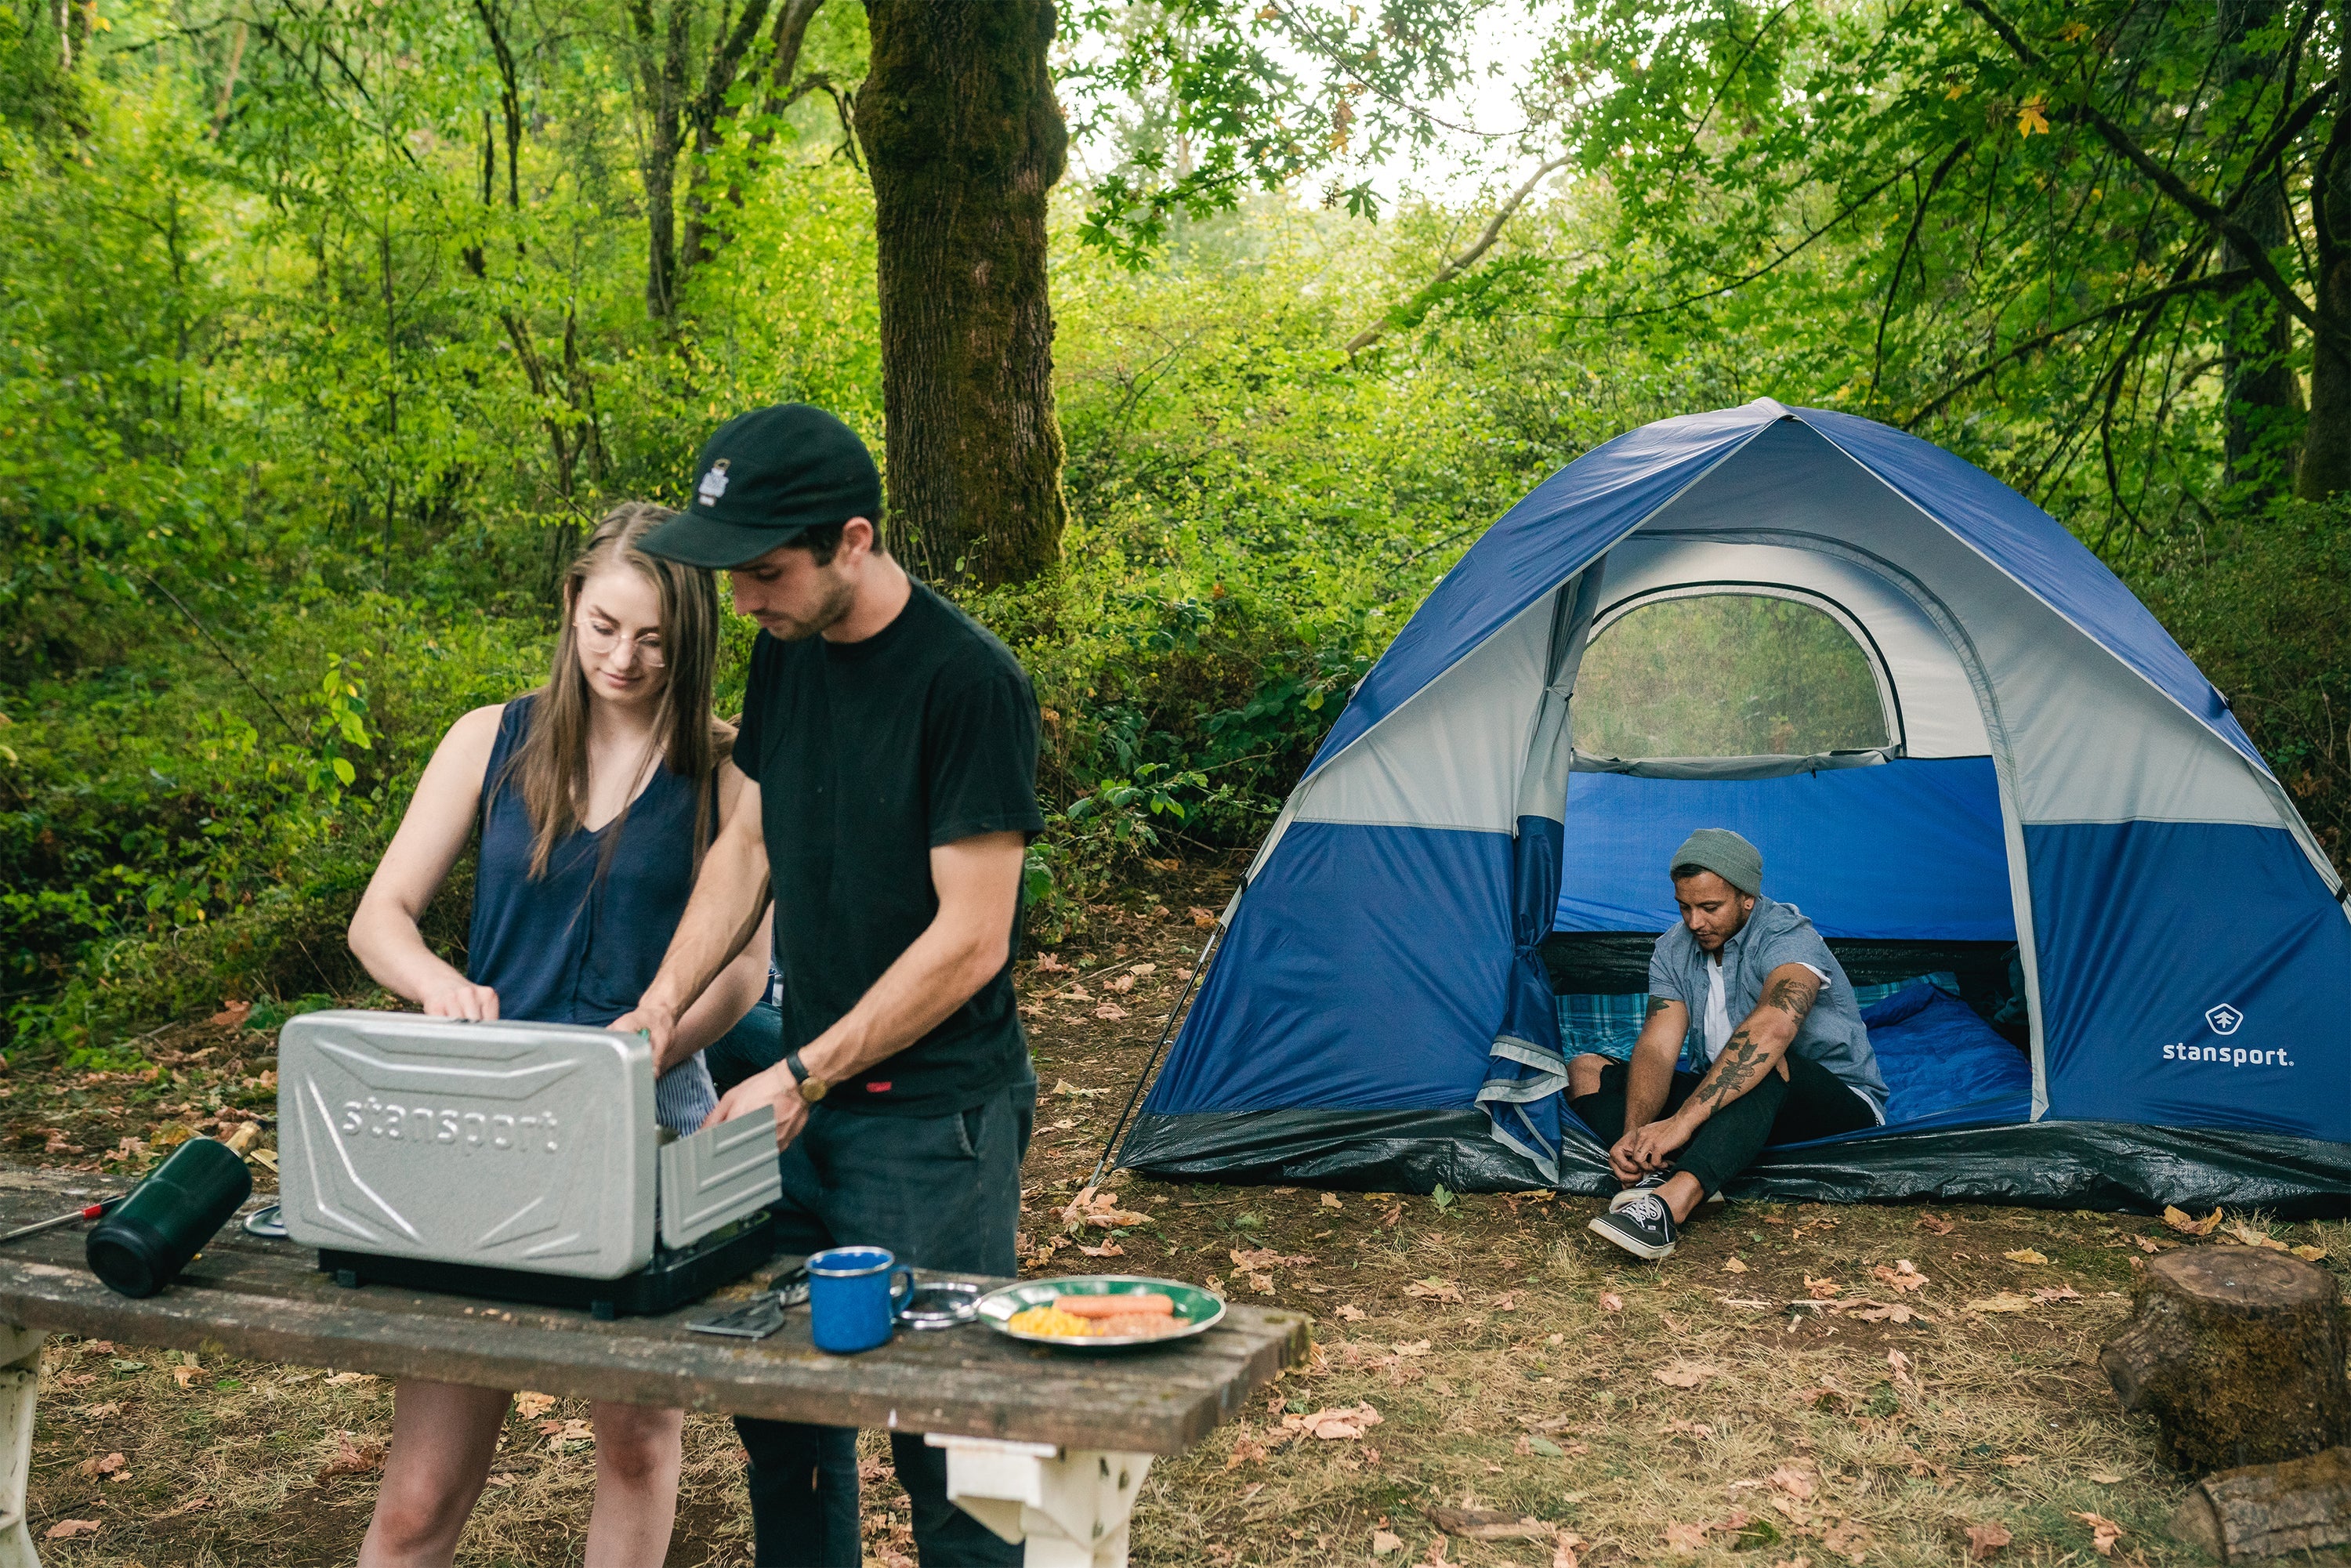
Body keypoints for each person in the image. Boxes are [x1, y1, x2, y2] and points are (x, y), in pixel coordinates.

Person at [613, 403, 1041, 1568]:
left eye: (766, 571)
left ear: (853, 539)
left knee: (952, 1443)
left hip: (936, 1122)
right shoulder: (786, 650)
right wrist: (658, 1012)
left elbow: (971, 941)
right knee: (780, 1406)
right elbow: (747, 843)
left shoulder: (968, 683)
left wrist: (804, 1071)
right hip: (800, 1102)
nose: (743, 599)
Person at [344, 503, 773, 1568]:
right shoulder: (488, 738)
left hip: (648, 1121)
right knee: (417, 1494)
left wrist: (653, 1044)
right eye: (602, 627)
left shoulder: (729, 773)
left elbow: (749, 976)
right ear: (571, 607)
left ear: (695, 639)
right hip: (480, 1126)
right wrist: (440, 985)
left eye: (653, 640)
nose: (622, 659)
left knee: (636, 1440)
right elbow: (379, 919)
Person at [1574, 828, 1886, 1261]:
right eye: (1684, 907)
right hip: (1728, 1108)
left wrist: (1682, 1123)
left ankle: (1669, 1206)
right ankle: (1652, 1173)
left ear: (1747, 898)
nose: (1695, 922)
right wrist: (1634, 1135)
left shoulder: (1790, 937)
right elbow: (1659, 1048)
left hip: (1831, 1105)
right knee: (1586, 1069)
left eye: (1709, 907)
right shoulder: (1673, 948)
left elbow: (1773, 1028)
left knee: (1764, 1057)